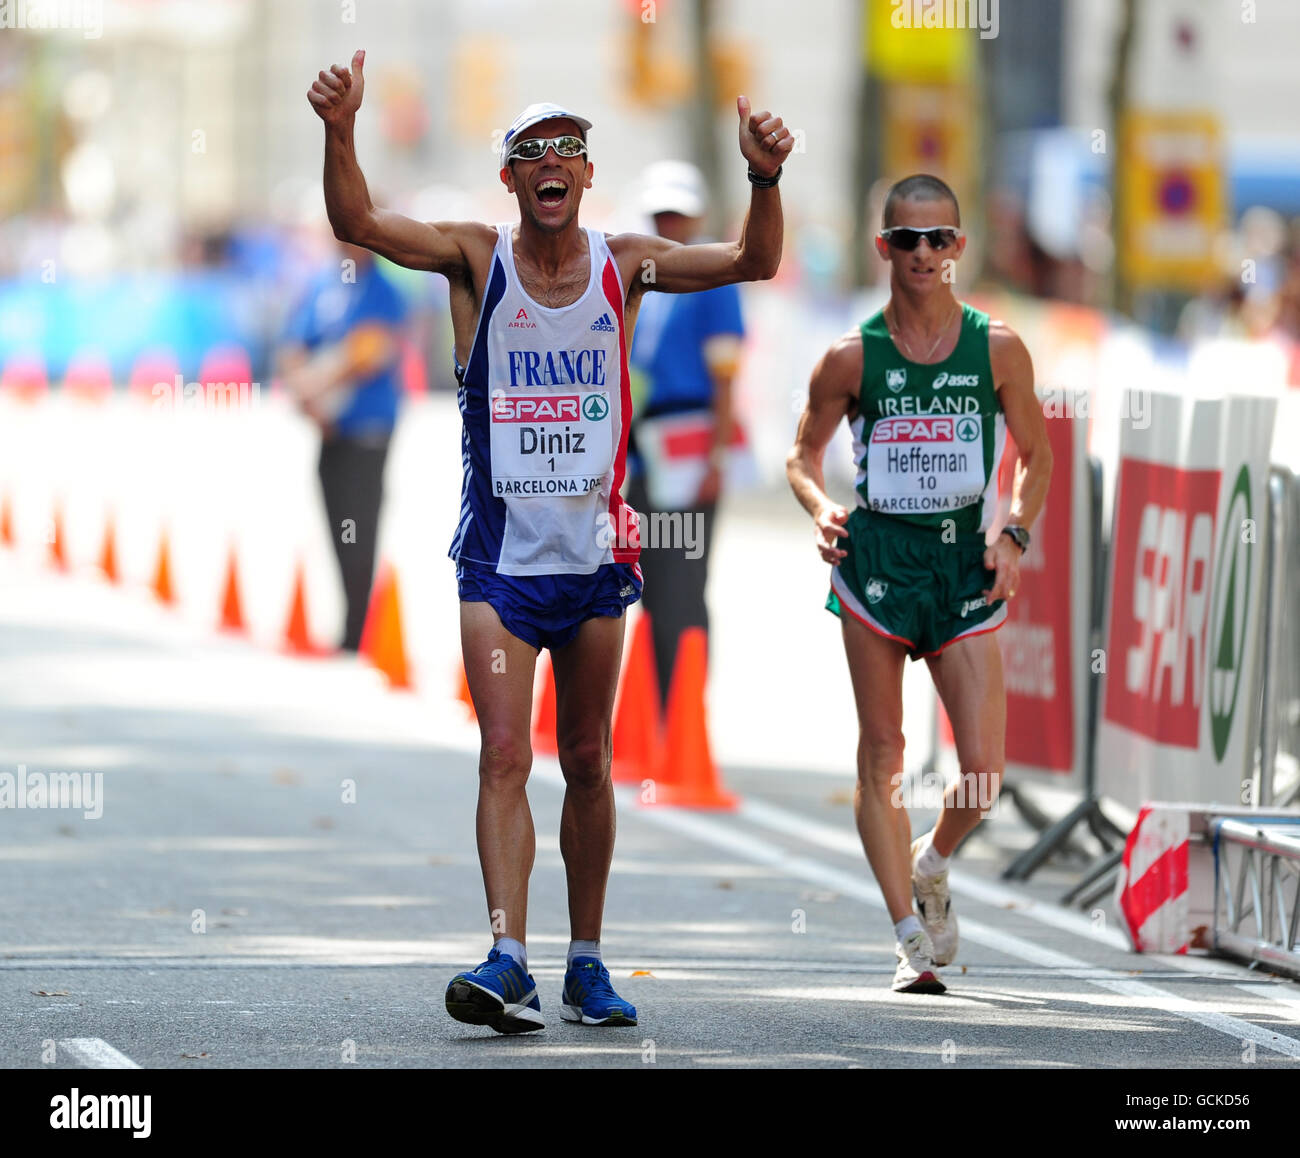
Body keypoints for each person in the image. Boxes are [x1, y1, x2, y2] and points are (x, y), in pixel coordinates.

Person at [309, 49, 794, 1032]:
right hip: (497, 559)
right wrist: (339, 128)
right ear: (513, 176)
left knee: (587, 760)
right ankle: (503, 956)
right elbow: (357, 224)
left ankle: (586, 959)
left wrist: (764, 177)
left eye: (569, 149)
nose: (553, 164)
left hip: (598, 559)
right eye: (534, 150)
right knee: (499, 753)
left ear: (583, 172)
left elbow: (753, 262)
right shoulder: (474, 257)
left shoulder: (627, 263)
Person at [786, 174, 1051, 994]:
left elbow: (1038, 456)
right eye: (909, 239)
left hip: (960, 566)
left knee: (982, 774)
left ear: (960, 248)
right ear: (884, 248)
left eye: (940, 239)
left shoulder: (998, 347)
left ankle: (931, 864)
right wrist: (822, 505)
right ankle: (908, 937)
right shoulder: (851, 357)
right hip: (876, 565)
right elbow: (801, 454)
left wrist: (1012, 536)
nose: (925, 254)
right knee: (884, 754)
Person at [625, 161, 745, 706]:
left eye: (677, 213)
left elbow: (725, 377)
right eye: (660, 213)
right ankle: (657, 704)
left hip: (689, 449)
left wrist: (716, 460)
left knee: (683, 581)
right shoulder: (648, 279)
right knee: (649, 576)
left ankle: (683, 705)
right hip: (647, 453)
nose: (668, 223)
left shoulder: (712, 278)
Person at [279, 238, 409, 652]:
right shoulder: (324, 284)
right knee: (337, 522)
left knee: (358, 525)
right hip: (330, 429)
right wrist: (306, 392)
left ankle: (358, 628)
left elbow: (372, 352)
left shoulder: (383, 290)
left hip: (366, 427)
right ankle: (351, 618)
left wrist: (318, 387)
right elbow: (296, 342)